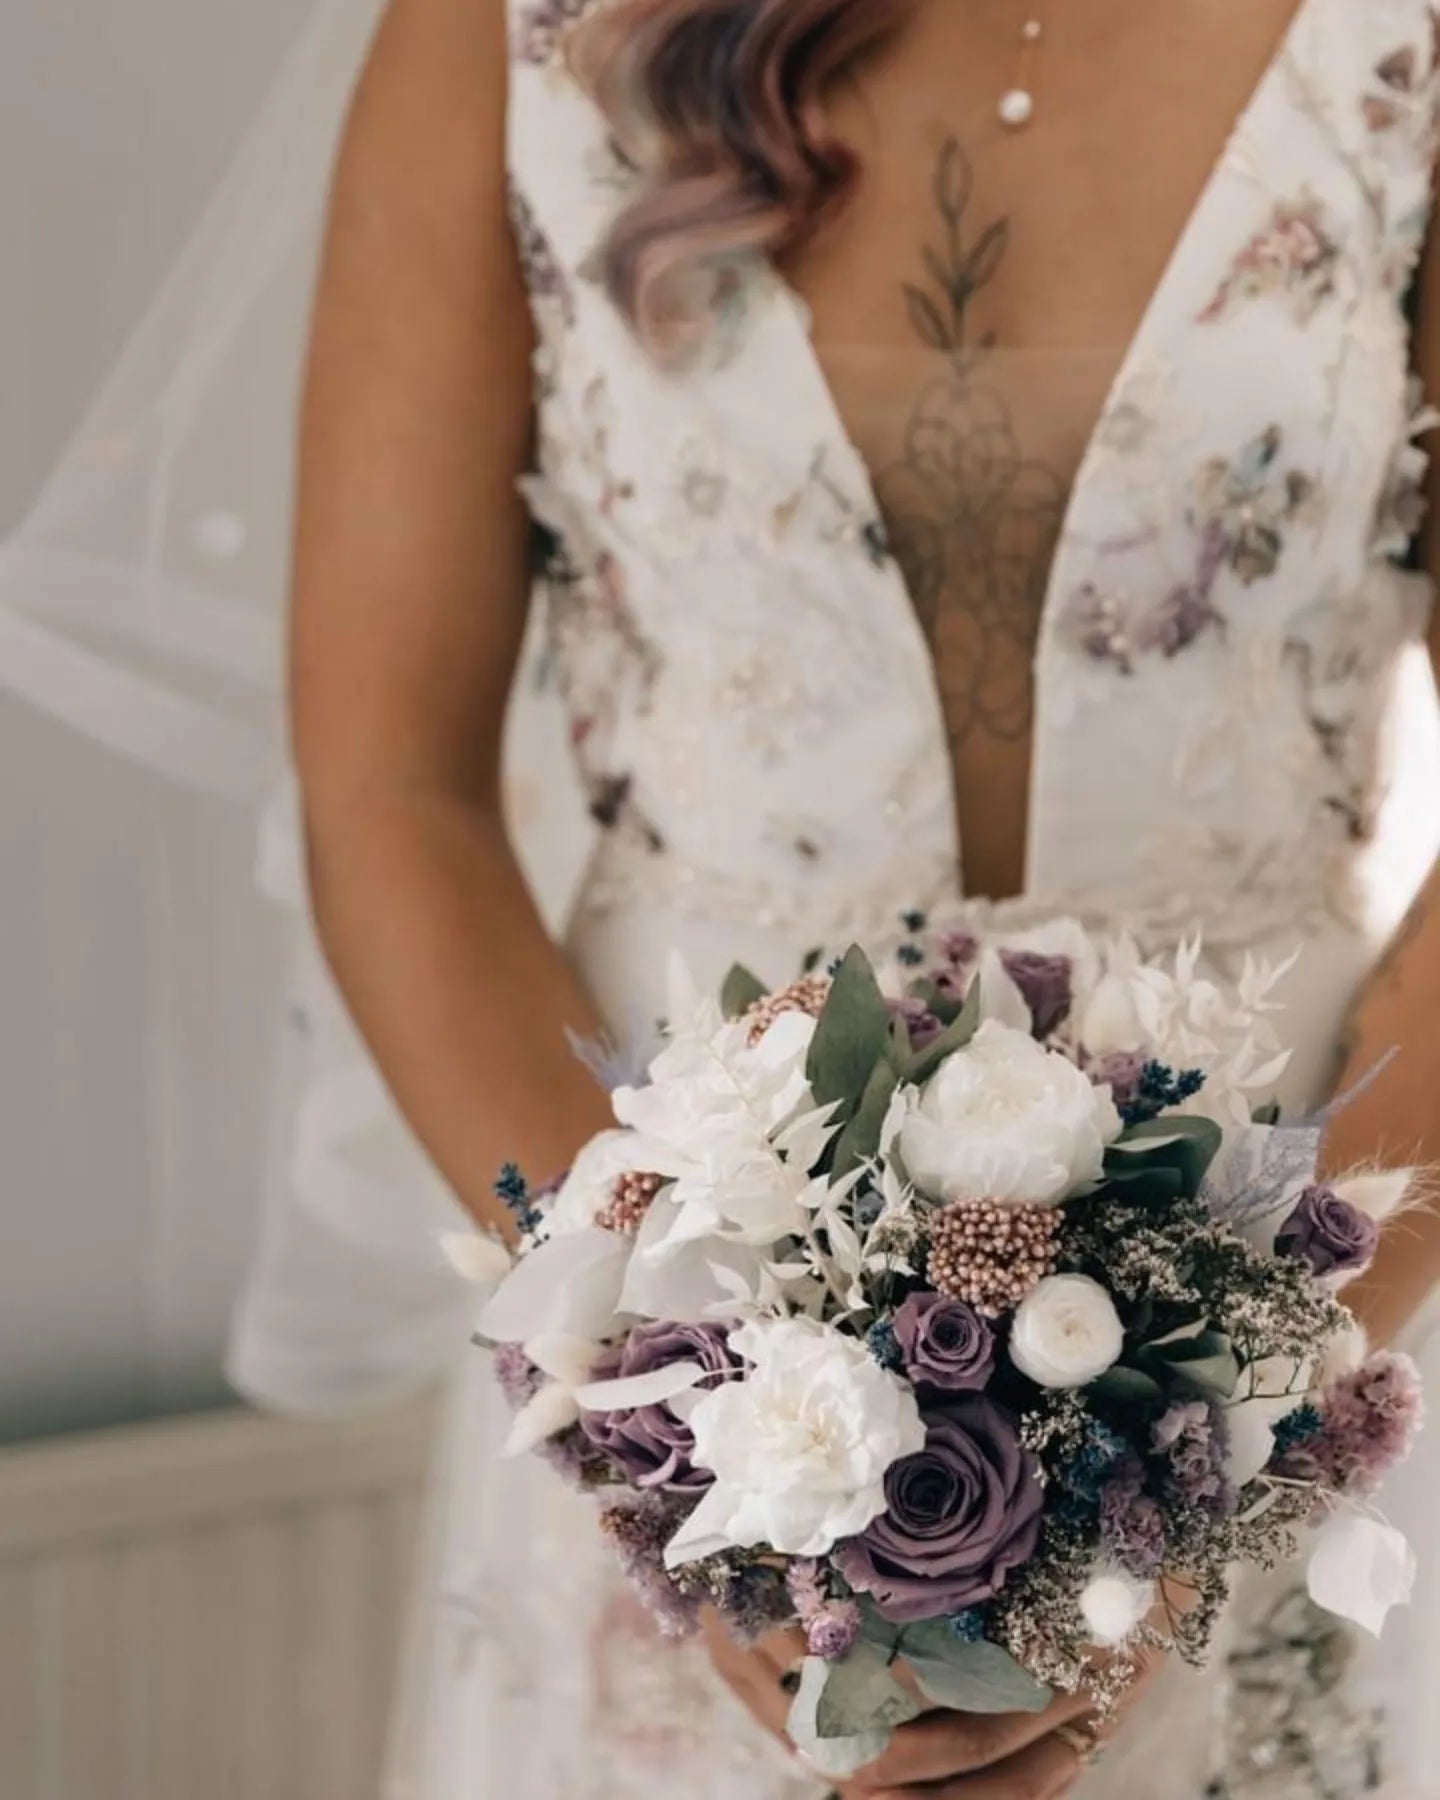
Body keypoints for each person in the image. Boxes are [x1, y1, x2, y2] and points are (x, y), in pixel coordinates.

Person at [286, 0, 1440, 1794]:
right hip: (671, 1299)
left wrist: (1237, 1423)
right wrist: (672, 1414)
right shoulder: (495, 35)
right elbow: (390, 787)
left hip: (1320, 1263)